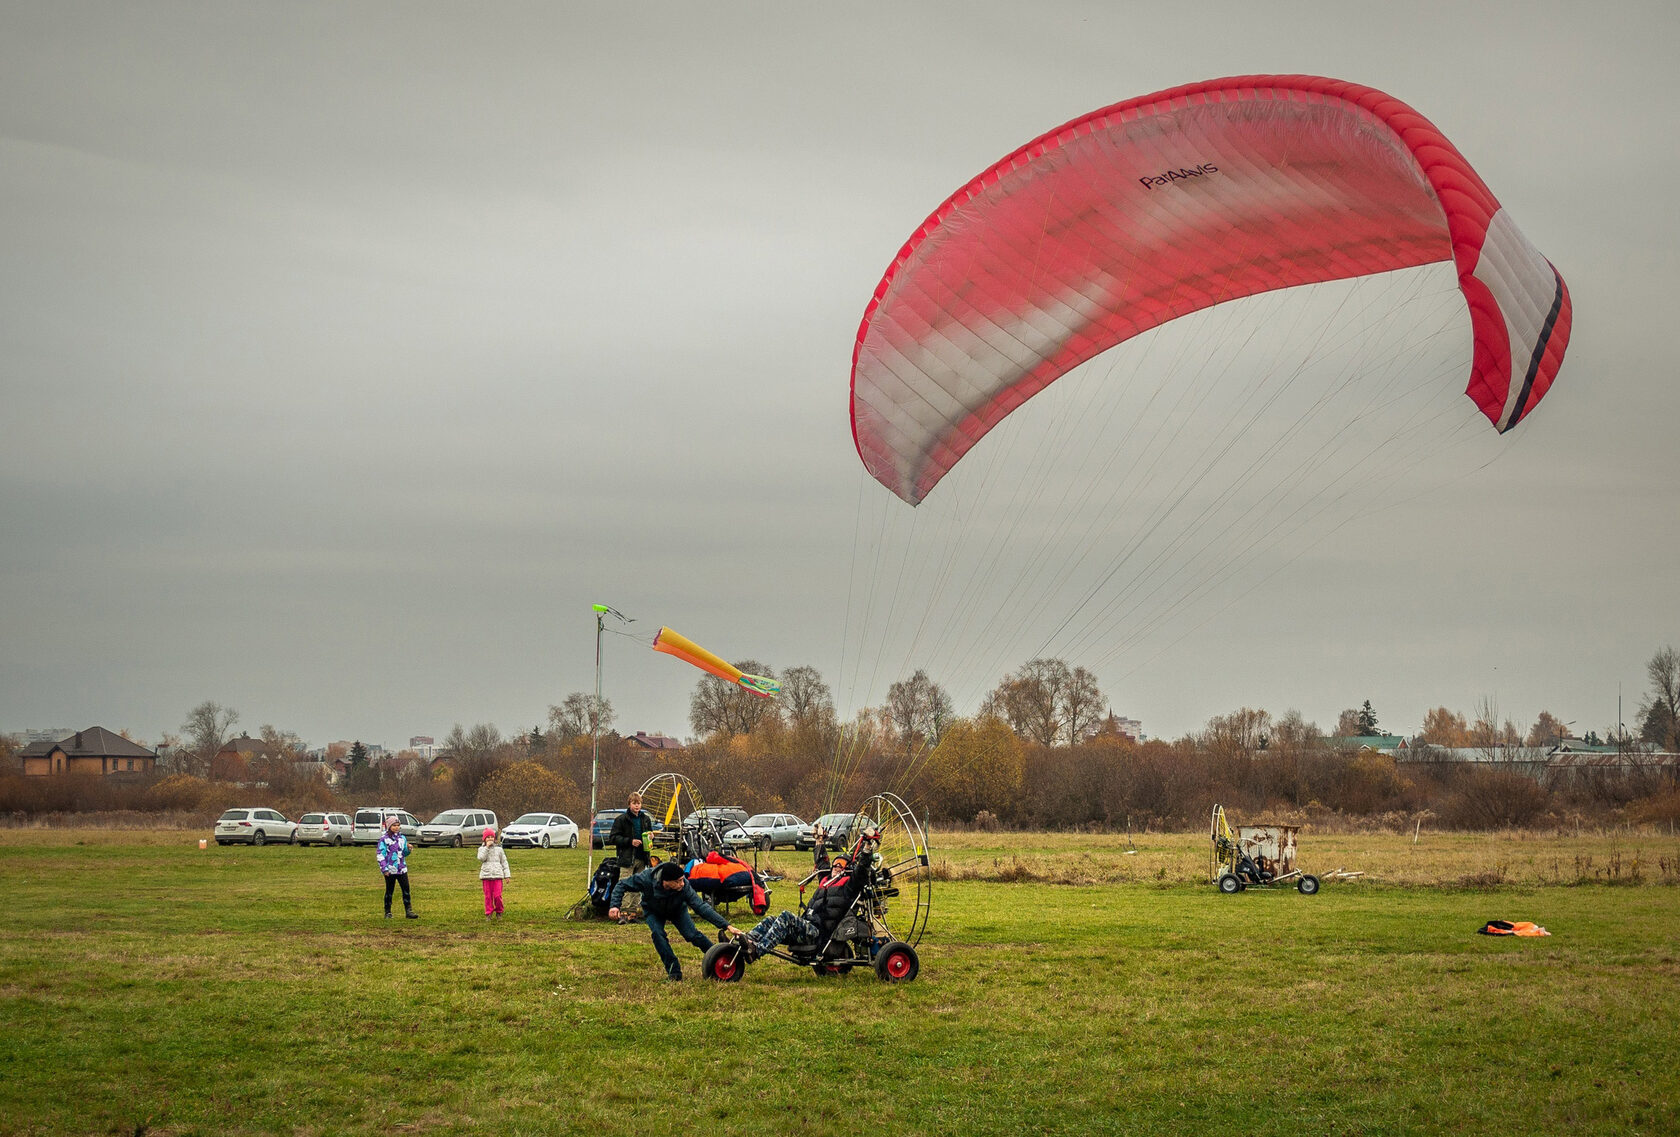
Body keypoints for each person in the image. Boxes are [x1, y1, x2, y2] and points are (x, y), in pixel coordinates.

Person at [740, 838, 877, 959]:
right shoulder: (826, 880)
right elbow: (821, 862)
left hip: (817, 933)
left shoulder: (848, 886)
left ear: (847, 869)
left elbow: (861, 870)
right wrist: (819, 840)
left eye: (840, 864)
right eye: (835, 864)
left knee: (786, 917)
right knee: (771, 920)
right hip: (807, 925)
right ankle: (746, 942)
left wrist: (867, 848)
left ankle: (758, 950)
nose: (836, 866)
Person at [608, 861, 743, 981]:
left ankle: (719, 956)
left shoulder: (685, 887)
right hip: (653, 910)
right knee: (658, 934)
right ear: (666, 882)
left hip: (677, 910)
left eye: (682, 880)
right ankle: (674, 973)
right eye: (678, 881)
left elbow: (701, 907)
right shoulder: (646, 879)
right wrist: (615, 905)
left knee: (692, 935)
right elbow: (622, 884)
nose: (682, 884)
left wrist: (727, 925)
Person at [377, 815, 417, 919]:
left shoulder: (402, 838)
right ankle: (388, 912)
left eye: (398, 825)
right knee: (389, 891)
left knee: (406, 889)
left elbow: (403, 853)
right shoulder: (384, 839)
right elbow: (381, 854)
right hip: (390, 870)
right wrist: (384, 868)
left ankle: (409, 910)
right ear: (389, 826)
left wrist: (408, 850)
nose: (396, 827)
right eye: (394, 825)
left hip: (402, 869)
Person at [608, 792, 656, 872]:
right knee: (625, 883)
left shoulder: (646, 819)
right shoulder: (621, 820)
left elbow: (650, 834)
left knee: (640, 883)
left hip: (643, 858)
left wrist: (651, 837)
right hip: (627, 859)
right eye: (634, 803)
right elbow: (613, 838)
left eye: (638, 803)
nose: (637, 806)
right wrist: (630, 841)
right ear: (629, 804)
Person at [477, 826, 511, 919]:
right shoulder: (482, 849)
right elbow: (481, 858)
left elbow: (504, 862)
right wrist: (487, 847)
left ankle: (499, 911)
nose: (490, 839)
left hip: (497, 876)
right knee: (488, 896)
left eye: (492, 837)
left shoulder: (499, 849)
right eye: (488, 837)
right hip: (486, 876)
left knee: (497, 896)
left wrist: (507, 875)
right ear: (484, 839)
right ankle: (488, 913)